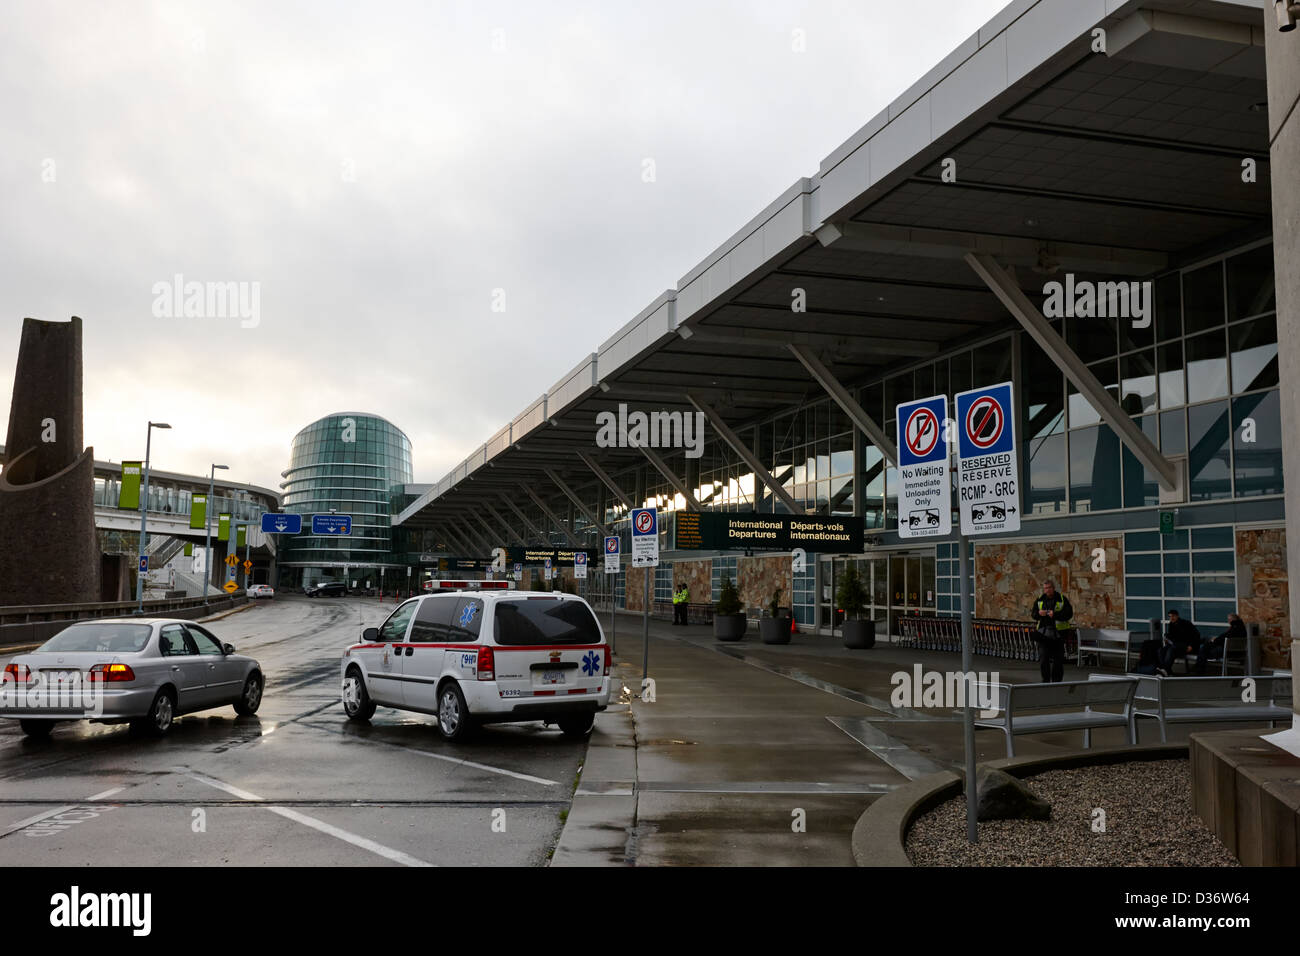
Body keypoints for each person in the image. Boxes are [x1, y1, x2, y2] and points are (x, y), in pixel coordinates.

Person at [1028, 579, 1073, 682]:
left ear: (1053, 588)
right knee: (1044, 658)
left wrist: (1055, 615)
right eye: (1045, 588)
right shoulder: (1040, 599)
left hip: (1058, 634)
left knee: (1058, 660)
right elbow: (1033, 614)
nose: (1047, 590)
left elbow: (1069, 614)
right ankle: (1045, 681)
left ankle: (1057, 681)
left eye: (1048, 588)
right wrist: (1039, 613)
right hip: (1043, 634)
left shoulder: (1062, 599)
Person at [1159, 609, 1201, 675]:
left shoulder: (1186, 623)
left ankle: (1165, 670)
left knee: (1171, 650)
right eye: (1169, 617)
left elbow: (1197, 635)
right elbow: (1172, 636)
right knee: (1161, 650)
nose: (1171, 618)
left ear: (1177, 616)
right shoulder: (1171, 624)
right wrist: (1167, 639)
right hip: (1176, 645)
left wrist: (1192, 646)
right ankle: (1165, 669)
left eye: (1173, 616)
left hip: (1187, 646)